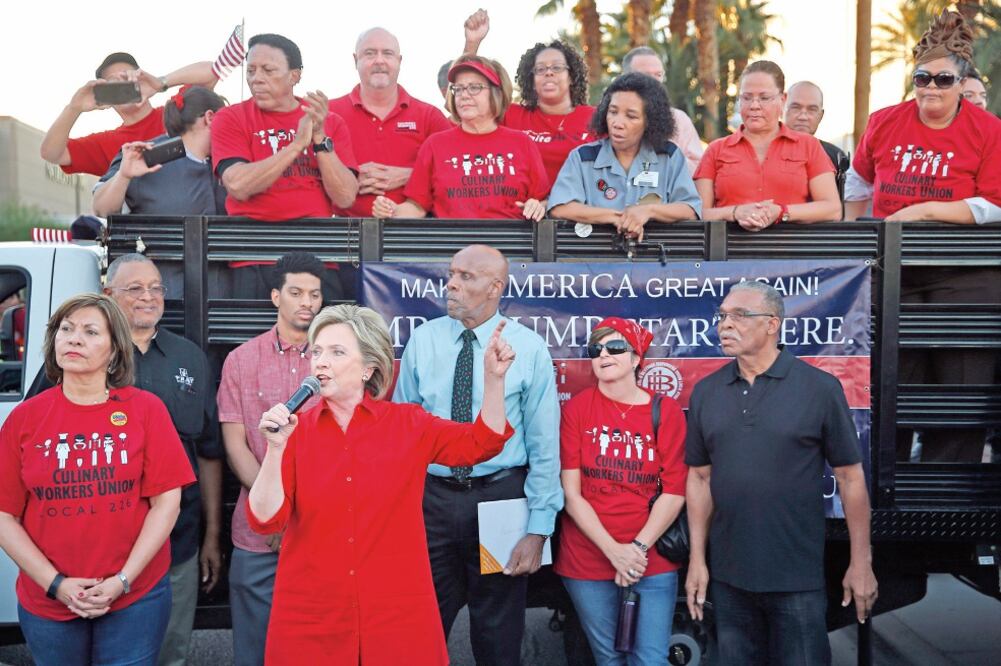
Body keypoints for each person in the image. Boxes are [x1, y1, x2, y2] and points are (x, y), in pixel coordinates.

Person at [248, 303, 515, 664]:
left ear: (369, 367)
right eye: (318, 351)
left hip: (396, 615)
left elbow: (482, 442)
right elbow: (266, 520)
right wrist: (275, 449)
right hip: (313, 616)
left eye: (337, 352)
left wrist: (495, 381)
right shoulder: (297, 433)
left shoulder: (408, 425)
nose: (320, 362)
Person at [684, 281, 877, 665]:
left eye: (739, 315)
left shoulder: (819, 388)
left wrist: (862, 562)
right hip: (729, 578)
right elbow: (700, 478)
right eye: (722, 316)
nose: (725, 325)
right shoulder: (706, 392)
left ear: (772, 324)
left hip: (797, 580)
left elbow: (851, 478)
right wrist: (697, 560)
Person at [0, 294, 195, 665]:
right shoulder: (25, 419)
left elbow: (166, 503)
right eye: (66, 329)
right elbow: (4, 515)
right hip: (48, 600)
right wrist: (56, 584)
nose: (73, 339)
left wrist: (121, 581)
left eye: (90, 332)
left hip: (135, 596)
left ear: (115, 351)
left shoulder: (145, 411)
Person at [393, 244, 562, 665]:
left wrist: (539, 528)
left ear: (494, 287)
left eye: (466, 276)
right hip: (431, 501)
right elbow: (402, 434)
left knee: (498, 633)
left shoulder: (528, 348)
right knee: (418, 625)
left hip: (500, 497)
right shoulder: (424, 340)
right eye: (451, 273)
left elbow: (544, 445)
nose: (451, 283)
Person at [845, 11, 1001, 462]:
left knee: (961, 388)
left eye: (943, 79)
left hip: (966, 276)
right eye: (922, 78)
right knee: (888, 383)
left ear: (962, 80)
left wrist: (926, 210)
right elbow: (857, 185)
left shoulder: (988, 130)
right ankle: (882, 506)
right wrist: (861, 244)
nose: (932, 88)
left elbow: (994, 204)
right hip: (892, 272)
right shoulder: (884, 121)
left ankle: (943, 513)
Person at [557, 317, 687, 665]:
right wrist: (613, 551)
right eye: (595, 349)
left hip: (651, 559)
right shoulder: (577, 409)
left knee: (650, 660)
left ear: (636, 358)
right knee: (609, 659)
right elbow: (572, 493)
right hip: (587, 558)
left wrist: (636, 550)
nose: (603, 354)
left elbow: (675, 491)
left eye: (615, 347)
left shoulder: (666, 411)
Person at [216, 252, 324, 666]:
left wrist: (298, 517)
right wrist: (274, 513)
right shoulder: (241, 360)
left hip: (321, 528)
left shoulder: (332, 360)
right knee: (255, 650)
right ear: (275, 296)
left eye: (315, 294)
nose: (307, 302)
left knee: (317, 647)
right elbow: (235, 445)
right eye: (296, 292)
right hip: (257, 533)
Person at [372, 55, 549, 221]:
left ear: (496, 93)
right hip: (453, 245)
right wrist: (391, 210)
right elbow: (417, 206)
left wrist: (538, 205)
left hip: (510, 245)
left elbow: (544, 199)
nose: (464, 95)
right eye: (458, 89)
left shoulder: (522, 143)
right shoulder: (435, 145)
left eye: (474, 87)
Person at [211, 33, 358, 221]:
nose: (257, 78)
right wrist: (296, 146)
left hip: (315, 236)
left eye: (268, 70)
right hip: (251, 236)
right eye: (251, 71)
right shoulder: (230, 117)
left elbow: (345, 198)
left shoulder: (330, 121)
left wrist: (320, 138)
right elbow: (238, 185)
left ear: (294, 76)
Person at [548, 73, 702, 241]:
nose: (617, 123)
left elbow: (690, 209)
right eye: (613, 112)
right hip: (595, 258)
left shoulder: (669, 156)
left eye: (631, 116)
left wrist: (648, 211)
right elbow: (559, 208)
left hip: (656, 259)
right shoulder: (583, 157)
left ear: (650, 121)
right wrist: (617, 217)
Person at [694, 61, 841, 230]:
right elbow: (698, 212)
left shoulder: (809, 146)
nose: (754, 106)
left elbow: (832, 209)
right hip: (729, 251)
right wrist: (735, 213)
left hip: (793, 252)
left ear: (782, 99)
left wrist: (780, 212)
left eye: (764, 98)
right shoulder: (715, 150)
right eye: (747, 98)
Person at [461, 11, 596, 188]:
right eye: (540, 69)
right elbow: (464, 100)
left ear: (572, 77)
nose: (549, 72)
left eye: (557, 67)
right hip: (520, 211)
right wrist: (472, 43)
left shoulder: (596, 117)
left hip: (577, 211)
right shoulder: (512, 115)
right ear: (531, 80)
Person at [329, 27, 452, 218]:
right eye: (370, 53)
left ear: (399, 61)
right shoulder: (329, 113)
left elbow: (456, 171)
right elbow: (305, 177)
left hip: (416, 233)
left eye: (387, 53)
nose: (379, 60)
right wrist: (346, 179)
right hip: (344, 235)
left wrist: (410, 175)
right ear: (355, 60)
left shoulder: (429, 116)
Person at [40, 52, 218, 177]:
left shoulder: (177, 109)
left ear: (140, 78)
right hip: (148, 227)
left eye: (127, 78)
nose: (123, 86)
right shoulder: (107, 143)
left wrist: (160, 83)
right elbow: (52, 153)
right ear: (106, 97)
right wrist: (74, 107)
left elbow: (213, 72)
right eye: (114, 84)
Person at [93, 86, 228, 218]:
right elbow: (101, 209)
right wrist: (123, 176)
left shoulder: (232, 159)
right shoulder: (143, 155)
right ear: (210, 117)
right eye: (227, 120)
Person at [621, 46, 705, 174]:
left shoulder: (678, 119)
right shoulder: (610, 118)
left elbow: (699, 170)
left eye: (658, 75)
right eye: (645, 75)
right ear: (625, 78)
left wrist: (667, 154)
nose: (655, 82)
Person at [783, 81, 850, 184]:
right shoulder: (764, 151)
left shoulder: (836, 157)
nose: (803, 117)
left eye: (812, 110)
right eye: (796, 108)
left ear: (821, 116)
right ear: (782, 109)